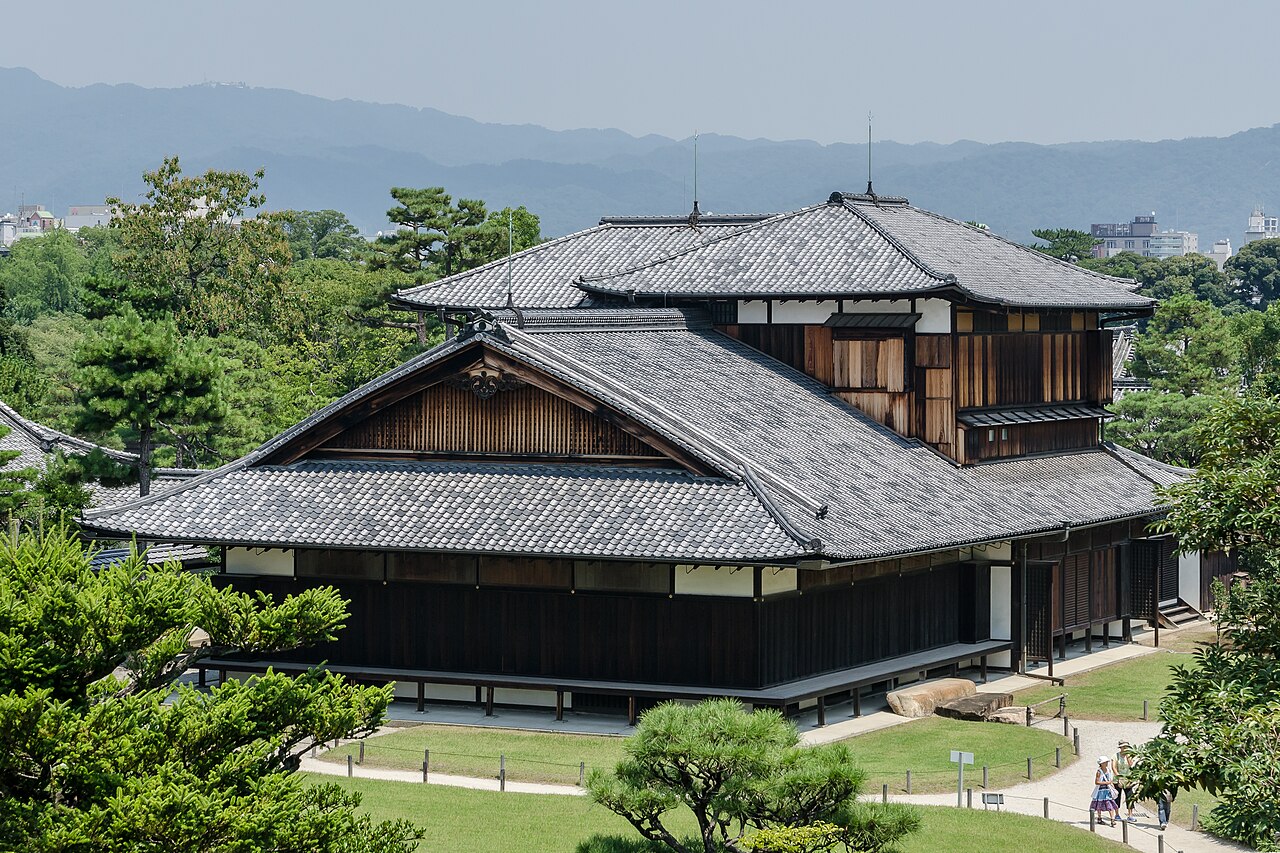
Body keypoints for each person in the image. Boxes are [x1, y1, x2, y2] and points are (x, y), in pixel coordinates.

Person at [1090, 755, 1120, 827]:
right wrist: (1107, 783)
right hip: (1101, 790)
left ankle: (1112, 819)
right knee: (1099, 805)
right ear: (1101, 763)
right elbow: (1097, 782)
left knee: (1110, 804)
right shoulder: (1099, 772)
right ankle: (1099, 817)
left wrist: (1111, 785)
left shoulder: (1108, 770)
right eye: (1105, 762)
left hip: (1107, 790)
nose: (1106, 763)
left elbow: (1110, 780)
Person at [1115, 741, 1138, 822]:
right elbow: (1114, 767)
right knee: (1117, 797)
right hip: (1118, 780)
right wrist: (1118, 777)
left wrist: (1128, 757)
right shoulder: (1116, 756)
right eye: (1123, 747)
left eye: (1126, 747)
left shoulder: (1129, 756)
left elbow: (1132, 766)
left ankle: (1130, 815)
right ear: (1120, 748)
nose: (1125, 749)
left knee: (1130, 797)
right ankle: (1117, 814)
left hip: (1128, 779)